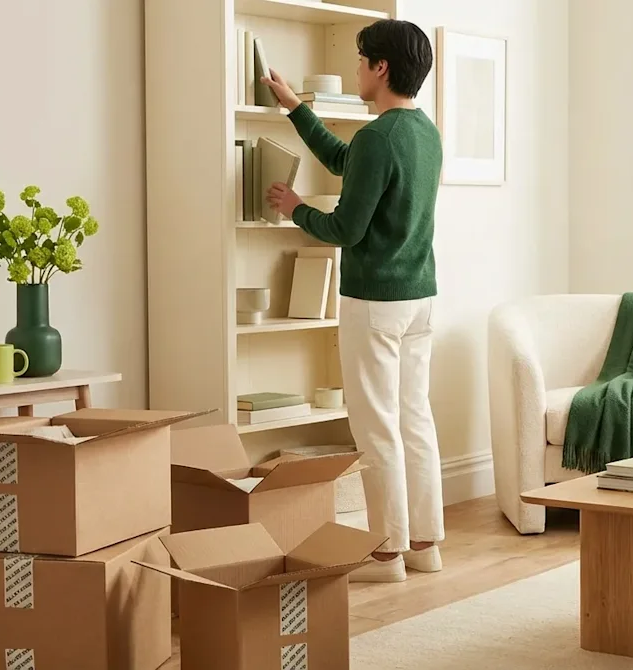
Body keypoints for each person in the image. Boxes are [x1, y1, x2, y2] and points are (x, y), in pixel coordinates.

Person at [261, 19, 444, 582]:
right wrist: (297, 107)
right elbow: (349, 163)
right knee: (414, 420)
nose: (357, 68)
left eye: (362, 59)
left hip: (375, 302)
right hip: (420, 298)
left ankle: (385, 556)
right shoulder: (423, 133)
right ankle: (424, 545)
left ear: (381, 67)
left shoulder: (379, 137)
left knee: (376, 429)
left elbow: (345, 228)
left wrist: (296, 209)